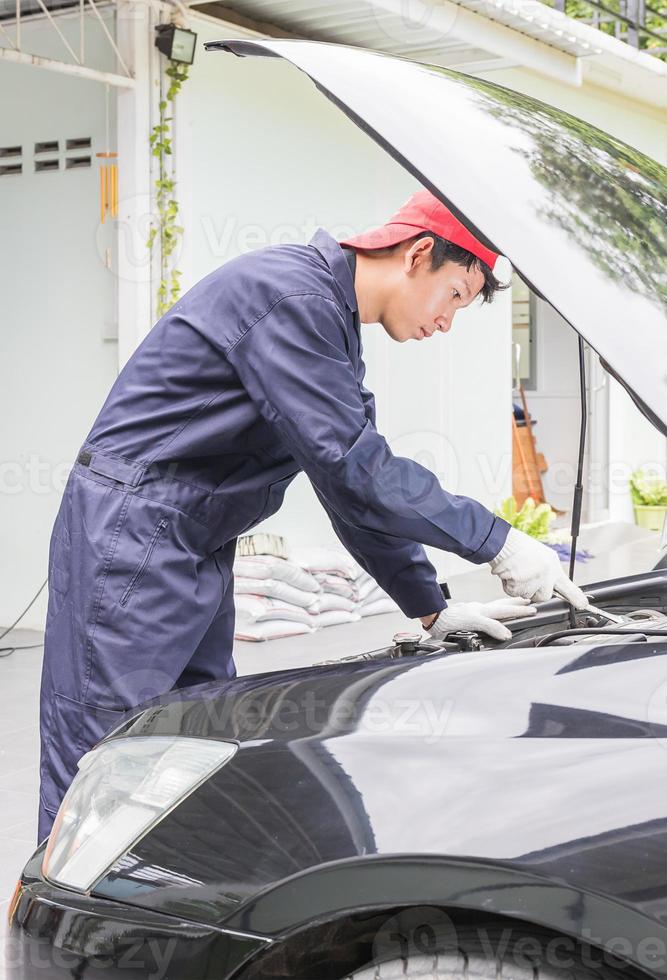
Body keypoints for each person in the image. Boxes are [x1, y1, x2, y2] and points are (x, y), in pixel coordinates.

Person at [38, 189, 587, 839]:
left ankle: (154, 920)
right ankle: (66, 927)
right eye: (455, 298)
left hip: (190, 541)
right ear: (417, 254)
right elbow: (358, 469)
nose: (446, 323)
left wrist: (431, 607)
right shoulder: (290, 299)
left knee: (188, 740)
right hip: (134, 538)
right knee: (105, 750)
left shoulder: (324, 322)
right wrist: (497, 542)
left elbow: (348, 487)